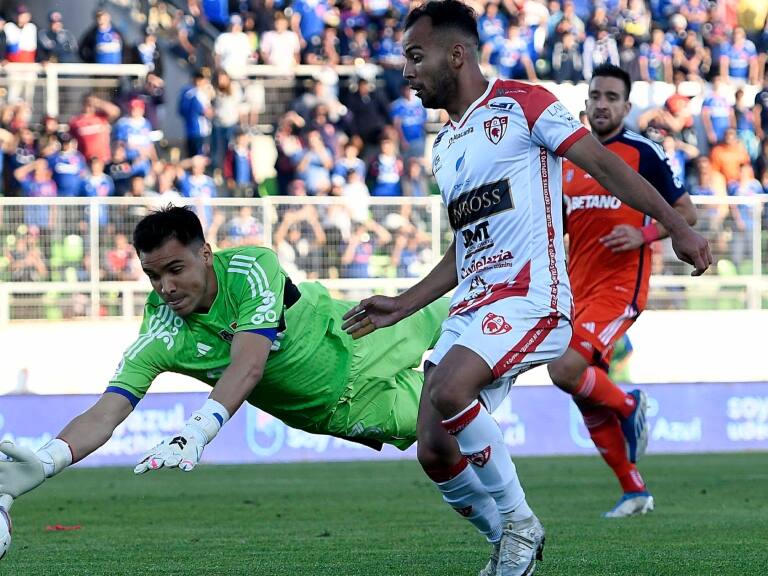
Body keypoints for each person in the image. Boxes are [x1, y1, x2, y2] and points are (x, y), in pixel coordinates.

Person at [341, 3, 710, 576]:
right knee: (433, 449)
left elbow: (604, 165)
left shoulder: (523, 104)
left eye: (415, 56)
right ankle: (507, 545)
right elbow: (465, 244)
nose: (407, 71)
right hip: (471, 305)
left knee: (451, 389)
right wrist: (405, 303)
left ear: (456, 54)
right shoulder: (445, 147)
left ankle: (521, 524)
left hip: (531, 297)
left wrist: (677, 226)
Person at [0, 206, 449, 542]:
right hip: (345, 407)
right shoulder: (161, 332)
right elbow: (105, 413)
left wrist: (197, 431)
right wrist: (47, 460)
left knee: (479, 316)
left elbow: (248, 364)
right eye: (153, 276)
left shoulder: (252, 267)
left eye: (176, 269)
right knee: (461, 414)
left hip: (364, 332)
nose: (166, 287)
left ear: (206, 254)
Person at [551, 63, 698, 518]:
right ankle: (633, 490)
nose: (602, 104)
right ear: (585, 102)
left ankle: (630, 403)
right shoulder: (569, 159)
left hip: (620, 287)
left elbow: (687, 213)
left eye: (612, 97)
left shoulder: (642, 152)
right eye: (596, 96)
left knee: (564, 369)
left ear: (626, 106)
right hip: (577, 289)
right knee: (581, 390)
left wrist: (644, 234)